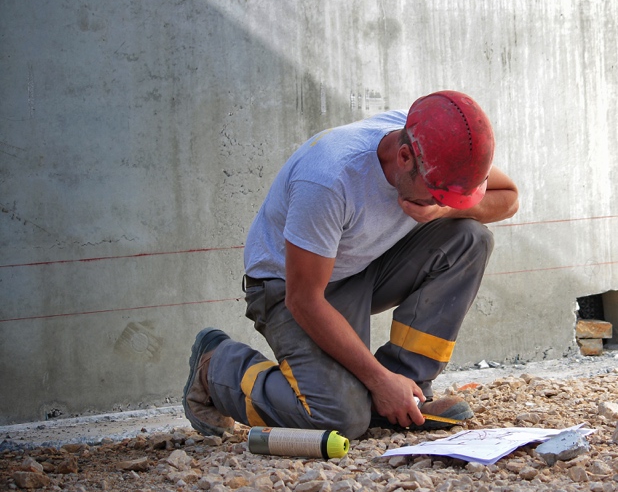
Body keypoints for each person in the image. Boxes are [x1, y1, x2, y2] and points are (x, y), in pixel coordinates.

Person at [183, 90, 519, 440]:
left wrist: (445, 208)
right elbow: (303, 299)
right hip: (288, 287)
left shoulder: (435, 146)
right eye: (436, 194)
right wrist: (376, 379)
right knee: (338, 419)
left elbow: (508, 198)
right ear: (404, 157)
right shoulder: (328, 179)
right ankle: (217, 368)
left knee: (470, 238)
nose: (440, 202)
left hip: (361, 266)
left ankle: (407, 388)